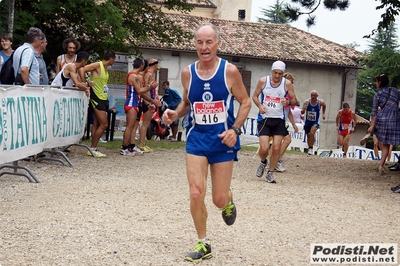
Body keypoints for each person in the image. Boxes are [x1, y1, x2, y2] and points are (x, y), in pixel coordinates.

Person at [162, 24, 251, 262]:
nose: (204, 47)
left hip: (223, 141)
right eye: (200, 43)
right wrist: (174, 113)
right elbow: (187, 103)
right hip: (197, 140)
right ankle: (203, 243)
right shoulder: (187, 73)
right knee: (195, 192)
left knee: (218, 200)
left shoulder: (229, 71)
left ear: (218, 44)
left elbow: (245, 102)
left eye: (209, 42)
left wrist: (235, 129)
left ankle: (228, 199)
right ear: (195, 45)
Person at [252, 60, 298, 183]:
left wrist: (288, 102)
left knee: (276, 148)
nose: (277, 76)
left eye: (280, 73)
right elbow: (254, 96)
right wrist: (260, 106)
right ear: (271, 71)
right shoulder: (263, 81)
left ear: (283, 73)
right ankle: (263, 162)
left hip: (279, 119)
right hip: (265, 119)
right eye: (275, 73)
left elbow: (295, 100)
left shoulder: (287, 84)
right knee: (264, 149)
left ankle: (270, 173)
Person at [80, 50, 116, 158]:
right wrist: (84, 83)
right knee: (104, 124)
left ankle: (93, 148)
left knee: (97, 124)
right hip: (97, 98)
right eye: (114, 59)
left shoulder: (105, 69)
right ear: (111, 58)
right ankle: (92, 148)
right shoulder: (97, 65)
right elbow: (82, 69)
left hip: (104, 98)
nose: (114, 61)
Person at [367, 74, 400, 176]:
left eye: (376, 81)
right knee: (396, 140)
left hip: (383, 118)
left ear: (380, 82)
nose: (376, 83)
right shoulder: (395, 91)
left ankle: (381, 165)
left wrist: (372, 125)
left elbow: (374, 112)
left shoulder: (378, 95)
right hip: (395, 118)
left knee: (384, 143)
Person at [120, 57, 149, 156]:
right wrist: (150, 87)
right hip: (131, 103)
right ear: (141, 66)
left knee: (131, 127)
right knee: (130, 127)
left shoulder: (134, 75)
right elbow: (140, 91)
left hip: (134, 103)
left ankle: (128, 147)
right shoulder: (133, 76)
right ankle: (124, 148)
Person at [138, 58, 162, 152]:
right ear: (154, 65)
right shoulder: (148, 74)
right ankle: (141, 144)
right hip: (148, 102)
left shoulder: (150, 75)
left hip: (150, 100)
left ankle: (143, 143)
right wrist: (149, 102)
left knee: (147, 123)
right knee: (145, 123)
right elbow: (147, 89)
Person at [301, 90, 326, 156]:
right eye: (312, 95)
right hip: (308, 121)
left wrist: (323, 113)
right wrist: (303, 109)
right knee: (308, 135)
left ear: (317, 96)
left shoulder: (320, 102)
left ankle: (311, 149)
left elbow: (324, 105)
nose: (313, 97)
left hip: (315, 121)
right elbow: (302, 112)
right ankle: (309, 147)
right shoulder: (307, 102)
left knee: (312, 133)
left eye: (314, 95)